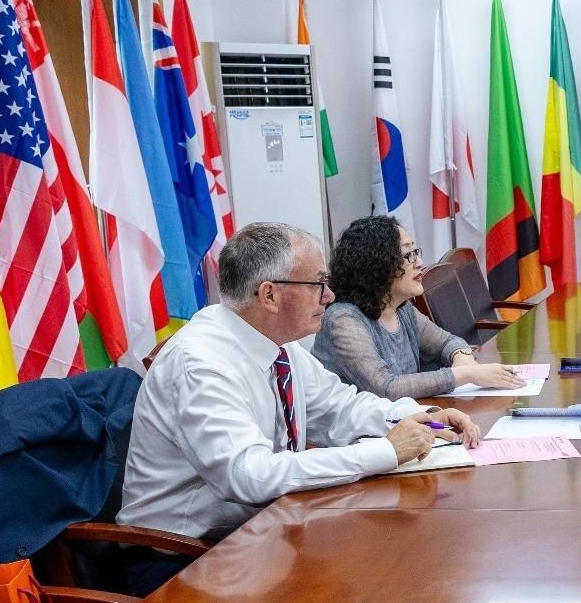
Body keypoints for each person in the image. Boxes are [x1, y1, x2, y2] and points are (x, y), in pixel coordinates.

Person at [121, 223, 481, 583]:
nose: (329, 296)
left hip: (260, 533)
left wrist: (420, 416)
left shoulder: (277, 344)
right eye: (318, 284)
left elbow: (340, 407)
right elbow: (250, 475)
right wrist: (385, 451)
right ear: (270, 295)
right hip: (180, 558)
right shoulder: (201, 363)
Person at [313, 215, 525, 398]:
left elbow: (447, 341)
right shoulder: (343, 319)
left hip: (402, 420)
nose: (420, 263)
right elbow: (386, 387)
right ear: (377, 264)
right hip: (355, 431)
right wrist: (466, 374)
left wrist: (462, 357)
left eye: (416, 252)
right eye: (408, 255)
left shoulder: (401, 308)